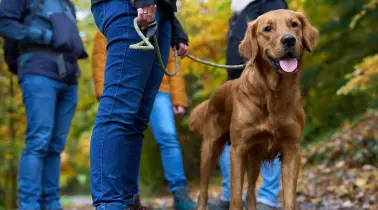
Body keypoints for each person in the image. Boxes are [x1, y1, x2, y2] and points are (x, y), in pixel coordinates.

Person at [89, 0, 189, 209]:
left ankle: (128, 201)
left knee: (137, 120)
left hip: (160, 14)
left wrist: (174, 27)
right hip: (129, 6)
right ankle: (109, 203)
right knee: (118, 112)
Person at [0, 0, 87, 209]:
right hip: (38, 71)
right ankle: (30, 204)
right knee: (38, 141)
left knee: (56, 146)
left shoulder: (67, 5)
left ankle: (52, 203)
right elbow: (4, 22)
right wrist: (43, 36)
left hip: (68, 78)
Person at [209, 0, 287, 210]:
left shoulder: (271, 3)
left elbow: (281, 40)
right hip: (237, 83)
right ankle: (230, 195)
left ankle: (267, 199)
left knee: (271, 135)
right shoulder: (236, 11)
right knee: (231, 139)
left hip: (264, 83)